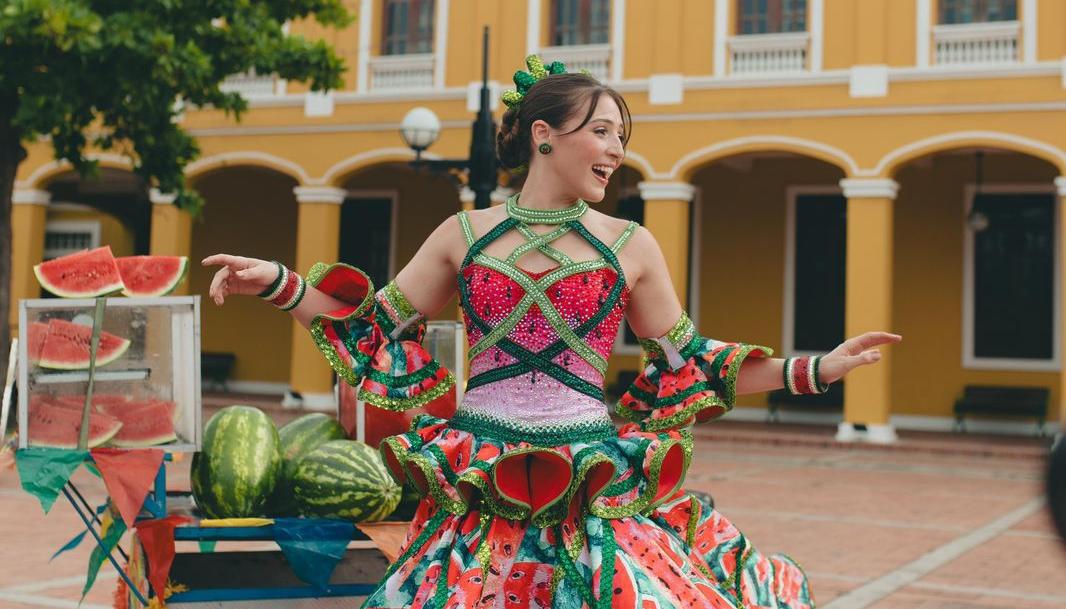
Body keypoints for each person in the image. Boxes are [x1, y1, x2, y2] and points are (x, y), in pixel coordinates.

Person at [204, 56, 901, 609]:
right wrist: (275, 280)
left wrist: (814, 370)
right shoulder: (464, 234)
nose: (615, 150)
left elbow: (694, 362)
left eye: (621, 139)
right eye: (601, 131)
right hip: (483, 495)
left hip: (592, 489)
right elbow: (366, 328)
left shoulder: (631, 245)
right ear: (544, 135)